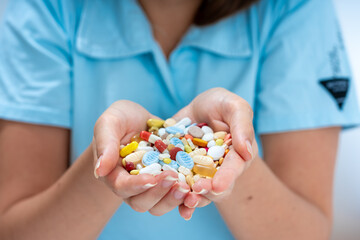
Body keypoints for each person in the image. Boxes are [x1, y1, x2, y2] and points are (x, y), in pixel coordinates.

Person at [0, 0, 359, 239]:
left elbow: (307, 232)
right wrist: (107, 160)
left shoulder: (297, 9)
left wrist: (232, 157)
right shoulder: (41, 9)